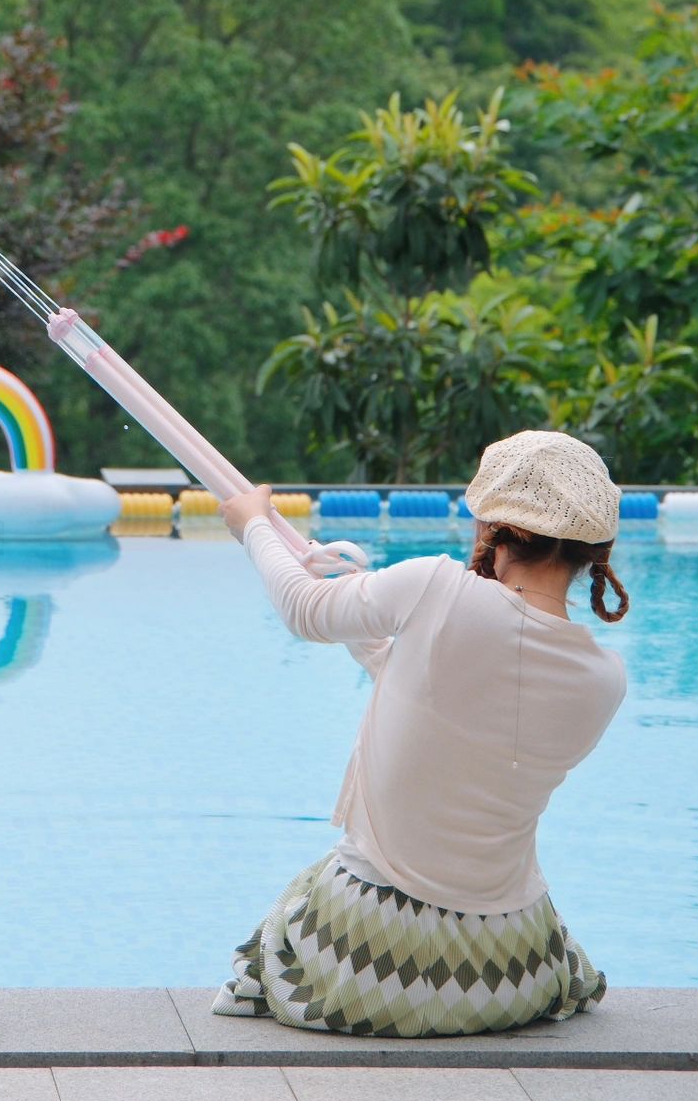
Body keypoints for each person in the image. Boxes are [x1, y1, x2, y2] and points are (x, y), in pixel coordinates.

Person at [213, 429, 630, 1038]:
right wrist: (374, 640)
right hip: (508, 972)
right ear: (592, 549)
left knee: (286, 918)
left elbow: (304, 607)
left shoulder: (436, 586)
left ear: (497, 528)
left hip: (365, 964)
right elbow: (460, 712)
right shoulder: (604, 678)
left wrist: (253, 522)